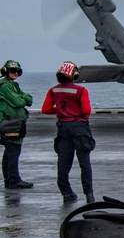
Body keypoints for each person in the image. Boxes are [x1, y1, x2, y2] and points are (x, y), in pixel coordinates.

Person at [40, 62, 96, 203]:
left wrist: (60, 111)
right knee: (84, 161)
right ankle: (89, 195)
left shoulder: (53, 90)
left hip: (63, 127)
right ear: (74, 75)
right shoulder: (80, 90)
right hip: (79, 126)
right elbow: (86, 110)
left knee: (63, 161)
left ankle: (66, 193)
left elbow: (46, 109)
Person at [0, 60, 33, 189]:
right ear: (5, 72)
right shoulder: (4, 85)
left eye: (17, 71)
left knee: (10, 152)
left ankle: (10, 180)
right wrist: (23, 99)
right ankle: (13, 180)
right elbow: (18, 101)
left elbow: (27, 98)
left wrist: (23, 98)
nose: (15, 73)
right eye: (12, 71)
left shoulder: (13, 85)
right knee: (13, 151)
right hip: (10, 123)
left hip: (13, 122)